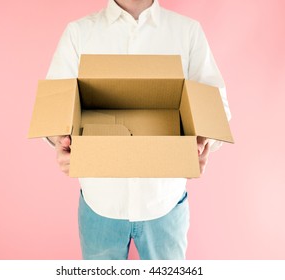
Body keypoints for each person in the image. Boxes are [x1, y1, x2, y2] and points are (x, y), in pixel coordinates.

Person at [45, 0, 231, 260]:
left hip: (164, 202)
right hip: (100, 204)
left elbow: (216, 106)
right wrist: (59, 141)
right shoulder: (79, 33)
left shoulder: (187, 31)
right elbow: (54, 107)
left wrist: (204, 140)